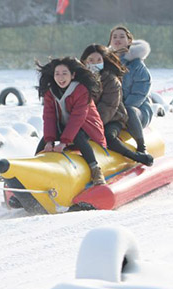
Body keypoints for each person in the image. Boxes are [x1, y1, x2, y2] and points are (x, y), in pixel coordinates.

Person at [36, 57, 107, 185]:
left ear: (73, 75)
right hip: (64, 127)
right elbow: (49, 116)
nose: (60, 78)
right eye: (57, 74)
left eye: (64, 73)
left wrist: (64, 142)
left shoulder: (81, 91)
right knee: (44, 141)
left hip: (87, 128)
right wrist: (49, 140)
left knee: (78, 135)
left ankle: (95, 169)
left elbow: (77, 119)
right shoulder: (50, 92)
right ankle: (34, 170)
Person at [80, 44, 153, 166]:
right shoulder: (80, 80)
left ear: (104, 61)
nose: (94, 63)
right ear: (84, 62)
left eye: (98, 60)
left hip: (113, 118)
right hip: (89, 120)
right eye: (91, 60)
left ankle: (136, 156)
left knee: (108, 136)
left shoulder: (111, 80)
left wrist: (92, 126)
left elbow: (109, 106)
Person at [108, 26, 153, 155]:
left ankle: (141, 146)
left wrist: (121, 110)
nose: (118, 39)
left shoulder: (137, 65)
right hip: (113, 109)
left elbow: (140, 93)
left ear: (129, 41)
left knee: (129, 110)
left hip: (137, 110)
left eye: (122, 37)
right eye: (114, 37)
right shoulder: (105, 61)